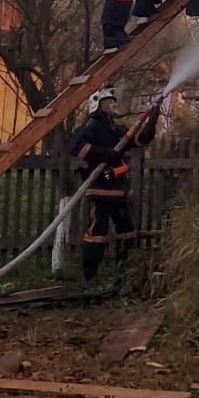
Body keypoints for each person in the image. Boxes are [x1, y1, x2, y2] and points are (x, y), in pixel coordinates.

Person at [69, 87, 159, 281]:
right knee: (97, 233)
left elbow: (141, 139)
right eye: (110, 101)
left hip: (119, 191)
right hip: (100, 190)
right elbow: (76, 147)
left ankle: (129, 271)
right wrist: (105, 154)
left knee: (128, 231)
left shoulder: (118, 131)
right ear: (99, 105)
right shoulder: (91, 129)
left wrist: (153, 117)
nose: (114, 104)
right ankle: (90, 277)